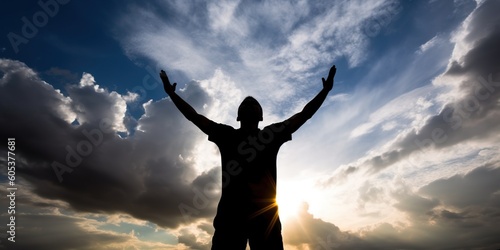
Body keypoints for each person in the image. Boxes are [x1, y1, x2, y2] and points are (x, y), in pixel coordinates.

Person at [160, 65, 336, 250]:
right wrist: (172, 95)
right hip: (231, 217)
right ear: (238, 116)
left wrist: (324, 92)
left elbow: (304, 115)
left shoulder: (271, 134)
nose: (250, 102)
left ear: (260, 116)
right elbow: (194, 117)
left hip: (265, 218)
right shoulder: (226, 134)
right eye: (246, 103)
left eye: (253, 103)